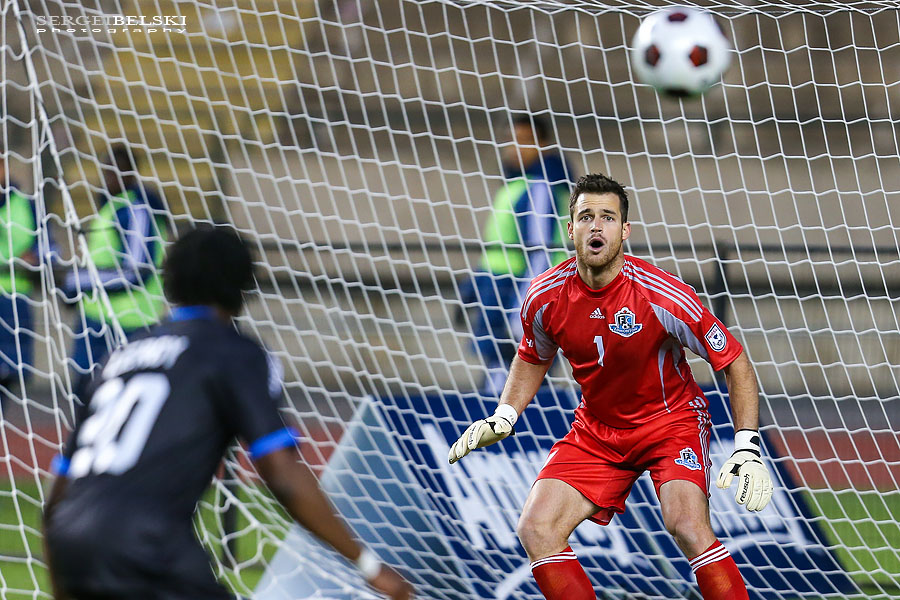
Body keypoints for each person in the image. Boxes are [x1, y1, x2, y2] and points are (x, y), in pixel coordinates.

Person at [449, 173, 773, 600]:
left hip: (669, 423)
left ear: (625, 231)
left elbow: (734, 361)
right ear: (570, 229)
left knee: (688, 527)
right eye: (586, 217)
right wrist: (505, 414)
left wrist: (747, 445)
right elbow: (532, 354)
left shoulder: (662, 295)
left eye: (607, 217)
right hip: (597, 430)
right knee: (536, 527)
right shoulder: (544, 296)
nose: (596, 227)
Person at [44, 228, 414, 600]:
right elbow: (281, 473)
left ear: (171, 281)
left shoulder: (120, 357)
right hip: (147, 547)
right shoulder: (232, 352)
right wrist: (370, 567)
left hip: (70, 542)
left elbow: (59, 490)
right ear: (242, 286)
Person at [461, 114, 574, 393]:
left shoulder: (541, 186)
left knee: (510, 382)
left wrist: (521, 312)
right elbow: (498, 247)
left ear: (544, 145)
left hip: (515, 297)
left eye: (524, 141)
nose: (514, 148)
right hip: (497, 292)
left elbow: (539, 250)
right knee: (506, 376)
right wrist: (473, 288)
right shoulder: (518, 184)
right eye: (510, 141)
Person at [64, 144, 167, 393]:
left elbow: (136, 271)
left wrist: (77, 282)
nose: (110, 177)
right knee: (85, 398)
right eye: (107, 171)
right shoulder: (112, 208)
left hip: (129, 323)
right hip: (96, 319)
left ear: (131, 173)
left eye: (117, 170)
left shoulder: (137, 210)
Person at [0, 151, 38, 394]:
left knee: (7, 382)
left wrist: (35, 256)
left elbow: (49, 247)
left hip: (14, 303)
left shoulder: (26, 204)